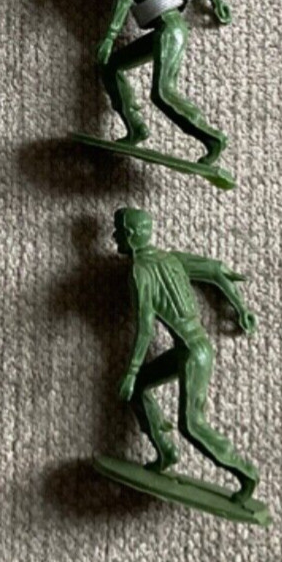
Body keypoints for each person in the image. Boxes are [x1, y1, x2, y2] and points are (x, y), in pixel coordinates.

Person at [112, 207, 260, 501]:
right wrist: (240, 307)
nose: (115, 237)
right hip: (188, 349)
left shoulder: (140, 271)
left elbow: (145, 329)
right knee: (140, 388)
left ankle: (245, 473)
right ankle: (165, 451)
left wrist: (130, 372)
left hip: (194, 352)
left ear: (130, 235)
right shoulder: (171, 258)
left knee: (191, 424)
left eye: (118, 232)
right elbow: (215, 270)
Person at [92, 0, 229, 164]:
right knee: (110, 67)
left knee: (163, 92)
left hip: (170, 27)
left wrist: (109, 37)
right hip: (165, 26)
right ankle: (136, 128)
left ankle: (213, 139)